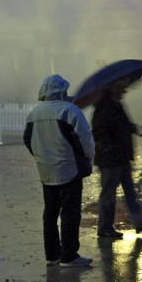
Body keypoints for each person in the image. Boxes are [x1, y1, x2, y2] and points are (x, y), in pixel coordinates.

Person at [24, 74, 95, 269]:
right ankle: (69, 255)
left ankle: (52, 255)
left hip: (46, 171)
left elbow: (28, 140)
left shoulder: (34, 113)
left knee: (50, 212)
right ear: (62, 91)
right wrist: (88, 159)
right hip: (69, 169)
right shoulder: (70, 111)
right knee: (70, 212)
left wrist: (42, 158)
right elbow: (85, 140)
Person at [92, 80, 142, 240]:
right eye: (120, 88)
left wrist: (135, 129)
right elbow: (99, 133)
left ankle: (140, 223)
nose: (124, 91)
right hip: (110, 160)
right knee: (108, 194)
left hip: (121, 157)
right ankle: (105, 228)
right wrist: (109, 148)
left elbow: (123, 125)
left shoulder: (116, 106)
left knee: (130, 192)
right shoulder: (103, 108)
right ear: (111, 88)